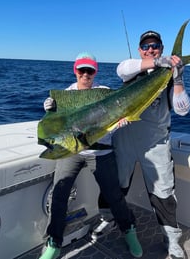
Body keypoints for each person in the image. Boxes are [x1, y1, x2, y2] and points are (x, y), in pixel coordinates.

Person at [39, 52, 143, 259]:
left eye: (90, 70)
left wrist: (121, 121)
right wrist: (49, 111)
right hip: (72, 151)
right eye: (82, 70)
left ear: (95, 72)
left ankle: (129, 230)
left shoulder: (104, 92)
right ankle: (53, 242)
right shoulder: (65, 96)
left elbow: (111, 121)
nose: (86, 74)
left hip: (101, 151)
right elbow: (56, 128)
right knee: (59, 195)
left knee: (114, 195)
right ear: (75, 71)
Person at [112, 29, 190, 259]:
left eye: (155, 45)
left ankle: (172, 240)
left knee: (163, 193)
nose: (150, 49)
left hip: (156, 144)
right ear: (140, 50)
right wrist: (157, 62)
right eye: (145, 46)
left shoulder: (166, 78)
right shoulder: (131, 72)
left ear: (162, 47)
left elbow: (183, 110)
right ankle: (108, 221)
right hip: (125, 140)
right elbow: (121, 68)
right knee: (117, 186)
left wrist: (177, 78)